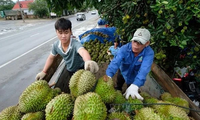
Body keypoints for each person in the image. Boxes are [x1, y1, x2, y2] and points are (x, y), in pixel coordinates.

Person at [35, 18, 99, 93]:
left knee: (86, 88)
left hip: (81, 68)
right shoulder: (56, 45)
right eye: (60, 32)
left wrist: (88, 61)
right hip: (70, 69)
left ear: (70, 32)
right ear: (56, 32)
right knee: (75, 88)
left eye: (66, 32)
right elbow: (51, 58)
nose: (63, 36)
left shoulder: (75, 43)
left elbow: (82, 51)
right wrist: (44, 71)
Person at [106, 28, 154, 100]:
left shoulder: (149, 53)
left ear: (147, 43)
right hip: (123, 72)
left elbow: (144, 69)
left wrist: (136, 85)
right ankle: (118, 89)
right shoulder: (124, 49)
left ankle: (128, 94)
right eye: (134, 41)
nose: (136, 45)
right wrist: (109, 75)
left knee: (130, 90)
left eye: (140, 43)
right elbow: (115, 62)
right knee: (119, 83)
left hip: (134, 76)